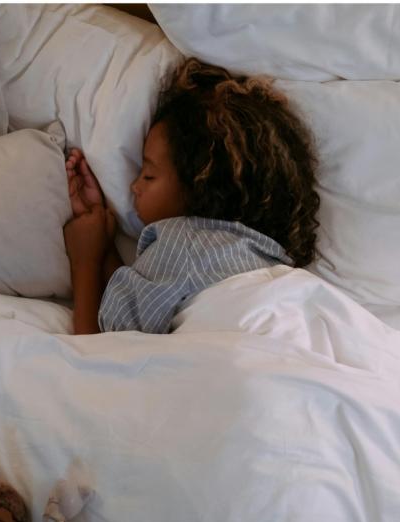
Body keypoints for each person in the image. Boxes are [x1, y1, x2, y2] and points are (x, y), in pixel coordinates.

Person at [63, 57, 321, 335]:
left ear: (199, 189)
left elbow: (106, 354)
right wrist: (104, 244)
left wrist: (85, 259)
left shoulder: (181, 244)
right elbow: (146, 306)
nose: (134, 187)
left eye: (149, 175)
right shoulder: (266, 257)